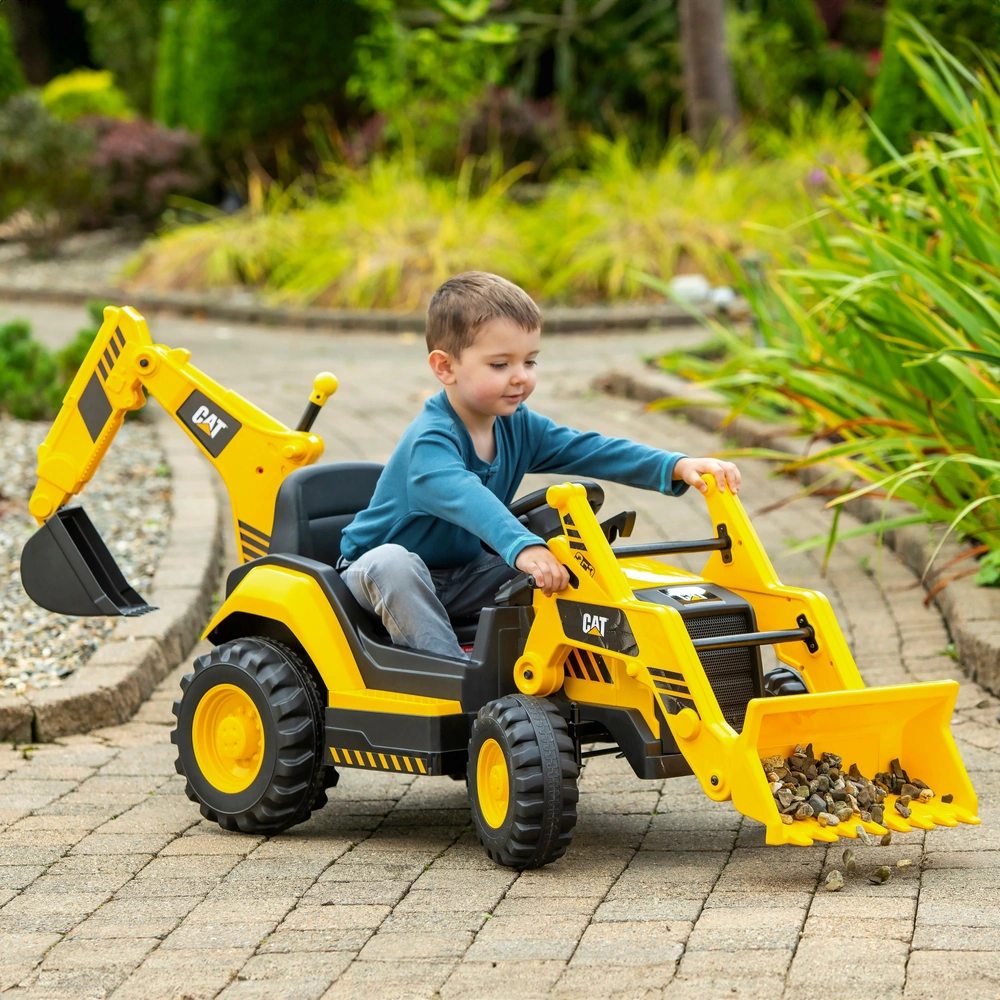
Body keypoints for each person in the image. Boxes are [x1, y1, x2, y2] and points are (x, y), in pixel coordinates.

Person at [338, 271, 741, 659]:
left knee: (565, 561)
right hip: (372, 577)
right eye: (500, 365)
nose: (520, 378)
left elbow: (590, 450)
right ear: (445, 367)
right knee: (396, 563)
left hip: (462, 574)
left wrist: (675, 464)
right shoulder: (430, 441)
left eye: (529, 362)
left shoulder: (518, 426)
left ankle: (567, 663)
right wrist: (522, 547)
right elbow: (466, 497)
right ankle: (454, 684)